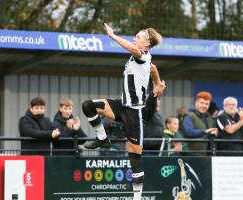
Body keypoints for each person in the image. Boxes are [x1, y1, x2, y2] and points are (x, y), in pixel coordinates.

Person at [82, 23, 164, 200]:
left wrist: (112, 35)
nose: (134, 38)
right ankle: (102, 139)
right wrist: (157, 84)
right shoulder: (146, 57)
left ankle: (136, 197)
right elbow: (154, 69)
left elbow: (136, 52)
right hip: (121, 106)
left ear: (147, 43)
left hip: (135, 114)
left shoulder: (140, 55)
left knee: (135, 160)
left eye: (138, 36)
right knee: (88, 105)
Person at [181, 91, 217, 156]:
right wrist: (205, 131)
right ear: (196, 103)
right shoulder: (188, 115)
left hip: (208, 154)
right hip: (192, 154)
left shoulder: (209, 117)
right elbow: (189, 132)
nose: (204, 106)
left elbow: (212, 133)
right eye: (202, 103)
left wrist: (215, 133)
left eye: (207, 104)